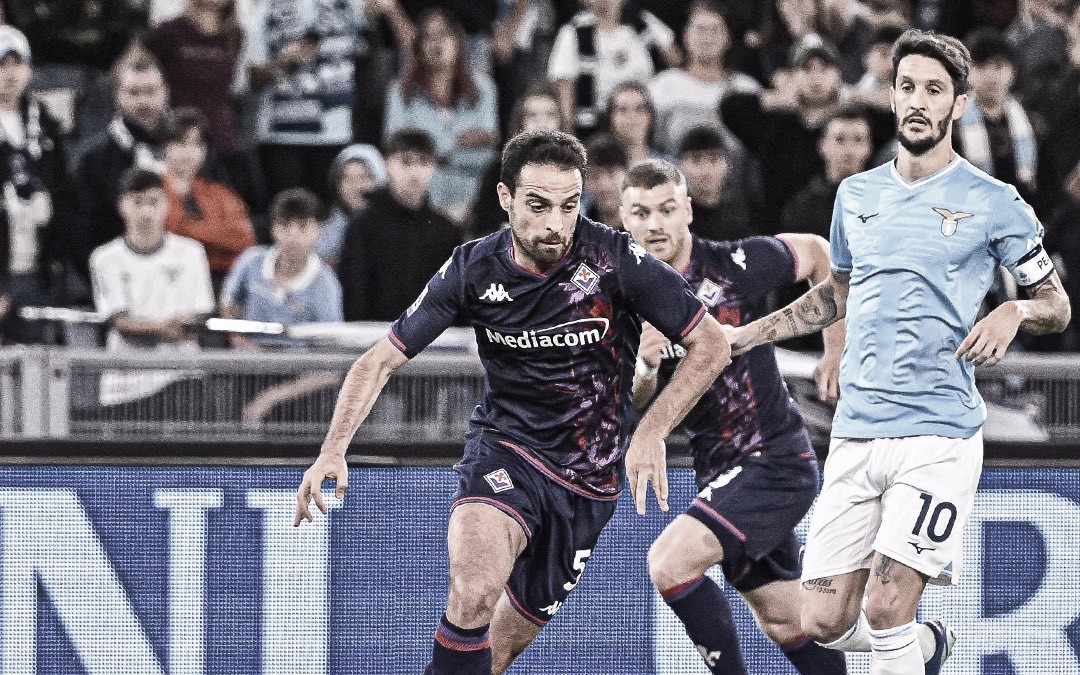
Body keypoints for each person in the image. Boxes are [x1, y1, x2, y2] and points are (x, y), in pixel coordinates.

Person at [294, 130, 730, 675]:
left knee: (495, 655)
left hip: (587, 484)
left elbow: (710, 344)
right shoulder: (473, 268)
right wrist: (333, 450)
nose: (555, 223)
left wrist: (651, 431)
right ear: (505, 197)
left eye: (569, 205)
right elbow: (378, 359)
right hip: (506, 452)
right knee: (474, 591)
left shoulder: (617, 261)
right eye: (538, 205)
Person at [724, 29, 1072, 675]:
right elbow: (837, 294)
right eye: (906, 86)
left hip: (938, 434)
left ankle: (909, 644)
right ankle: (932, 648)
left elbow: (1057, 304)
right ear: (891, 94)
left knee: (887, 608)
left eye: (933, 89)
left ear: (959, 104)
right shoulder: (856, 196)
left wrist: (1013, 308)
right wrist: (744, 335)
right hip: (857, 432)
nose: (917, 100)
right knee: (821, 621)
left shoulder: (996, 203)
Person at [621, 158, 847, 675]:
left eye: (666, 209)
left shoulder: (731, 267)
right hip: (718, 470)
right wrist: (646, 366)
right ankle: (921, 661)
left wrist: (835, 350)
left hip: (774, 461)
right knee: (789, 622)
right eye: (640, 213)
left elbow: (819, 254)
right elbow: (636, 406)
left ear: (688, 212)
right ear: (623, 219)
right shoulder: (624, 302)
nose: (654, 224)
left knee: (669, 563)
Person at [89, 167, 215, 413]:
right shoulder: (104, 258)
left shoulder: (192, 253)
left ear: (167, 205)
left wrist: (187, 325)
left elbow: (201, 314)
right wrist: (162, 328)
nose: (146, 211)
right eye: (137, 203)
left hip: (183, 382)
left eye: (153, 202)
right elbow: (119, 322)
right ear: (122, 206)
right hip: (124, 388)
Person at [220, 187, 342, 423]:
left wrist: (273, 397)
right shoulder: (251, 260)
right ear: (274, 229)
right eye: (286, 226)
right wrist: (240, 341)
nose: (294, 236)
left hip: (299, 374)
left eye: (303, 227)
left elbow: (330, 367)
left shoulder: (325, 284)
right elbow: (228, 303)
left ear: (319, 230)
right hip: (249, 363)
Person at [384, 6, 500, 222]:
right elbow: (396, 147)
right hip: (417, 199)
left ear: (459, 41)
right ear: (418, 46)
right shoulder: (400, 91)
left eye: (445, 34)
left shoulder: (484, 88)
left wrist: (427, 149)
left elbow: (487, 155)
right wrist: (459, 142)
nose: (437, 43)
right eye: (428, 36)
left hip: (472, 199)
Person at [0, 25, 76, 343]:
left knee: (35, 361)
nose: (10, 73)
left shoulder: (44, 121)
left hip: (37, 265)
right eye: (2, 64)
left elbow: (62, 191)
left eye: (18, 63)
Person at [337, 128, 460, 322]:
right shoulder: (363, 226)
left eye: (423, 162)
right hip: (374, 339)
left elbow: (454, 297)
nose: (415, 172)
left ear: (433, 167)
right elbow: (355, 295)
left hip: (434, 343)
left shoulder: (446, 230)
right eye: (406, 162)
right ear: (388, 165)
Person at [160, 107, 255, 292]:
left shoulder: (219, 193)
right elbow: (166, 235)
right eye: (181, 143)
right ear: (165, 146)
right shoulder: (153, 190)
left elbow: (244, 238)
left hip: (220, 280)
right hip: (166, 279)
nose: (189, 152)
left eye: (197, 144)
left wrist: (188, 227)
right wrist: (216, 236)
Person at [316, 144, 387, 269]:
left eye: (363, 178)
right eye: (347, 179)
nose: (356, 187)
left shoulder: (391, 224)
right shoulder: (324, 228)